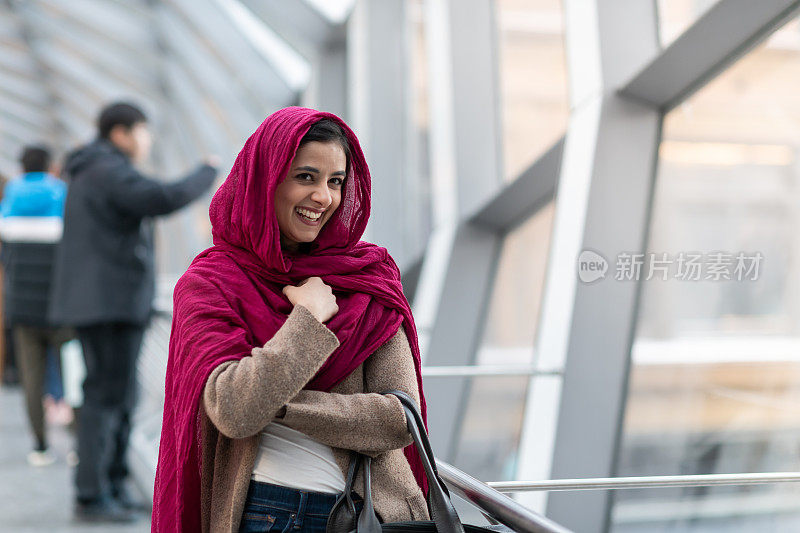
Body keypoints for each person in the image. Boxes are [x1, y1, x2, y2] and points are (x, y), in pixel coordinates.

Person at [151, 107, 432, 532]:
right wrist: (308, 319)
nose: (324, 197)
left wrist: (276, 402)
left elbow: (397, 421)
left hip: (368, 516)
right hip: (262, 513)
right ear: (265, 181)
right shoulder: (211, 283)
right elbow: (234, 411)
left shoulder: (366, 278)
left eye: (335, 181)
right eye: (306, 177)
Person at [48, 101, 219, 523]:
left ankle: (113, 484)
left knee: (116, 395)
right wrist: (208, 171)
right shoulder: (108, 169)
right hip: (109, 304)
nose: (146, 141)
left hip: (105, 302)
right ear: (121, 132)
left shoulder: (92, 170)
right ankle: (93, 495)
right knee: (105, 398)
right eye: (143, 131)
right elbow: (162, 197)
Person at [0, 144, 73, 467]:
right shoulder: (61, 194)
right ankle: (78, 446)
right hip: (61, 306)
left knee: (32, 379)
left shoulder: (11, 197)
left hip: (22, 308)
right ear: (49, 165)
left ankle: (40, 447)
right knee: (73, 375)